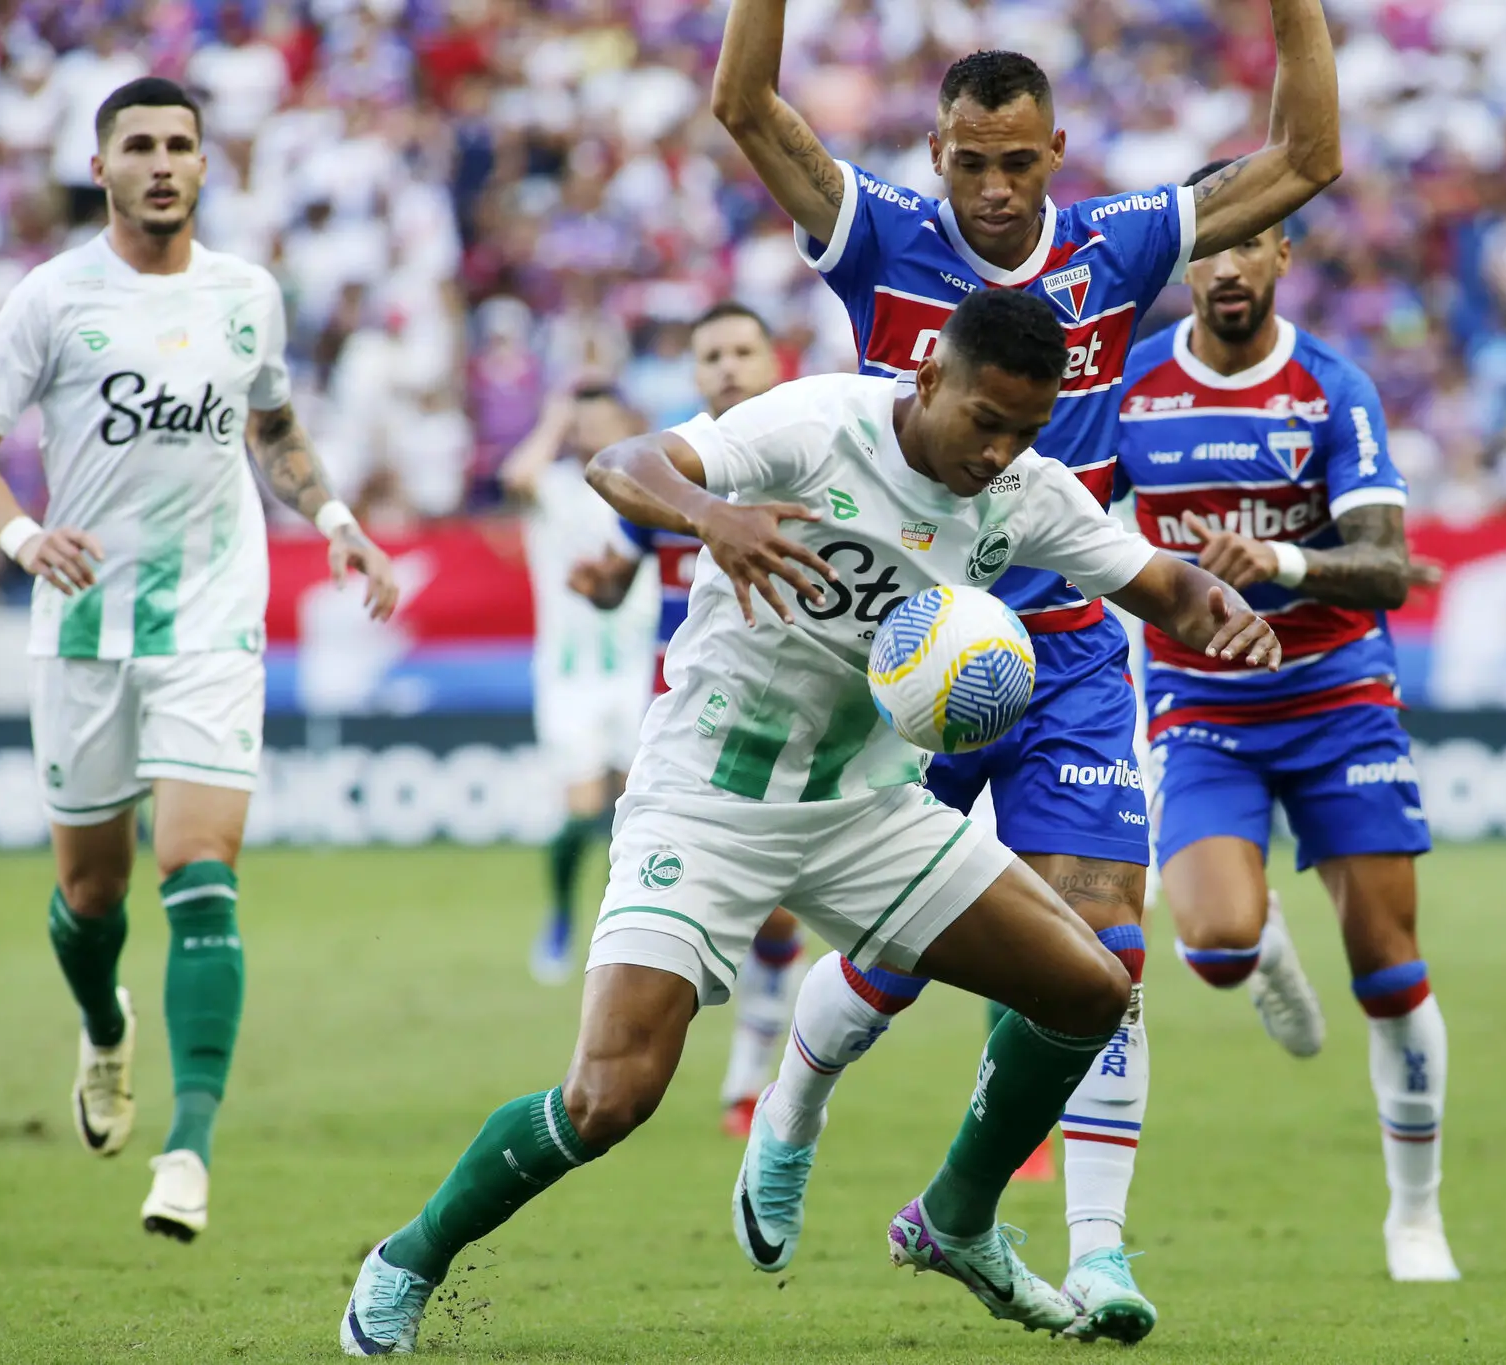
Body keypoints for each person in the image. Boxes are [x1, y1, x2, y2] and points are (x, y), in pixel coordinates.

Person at [337, 290, 1280, 1355]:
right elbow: (623, 466)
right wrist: (711, 516)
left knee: (1088, 989)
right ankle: (407, 1257)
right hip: (707, 797)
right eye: (985, 421)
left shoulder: (1023, 493)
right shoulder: (813, 426)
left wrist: (1218, 610)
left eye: (1025, 429)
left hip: (863, 807)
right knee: (610, 1098)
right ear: (929, 377)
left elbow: (1157, 580)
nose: (999, 450)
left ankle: (958, 1220)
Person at [711, 5, 1340, 1336]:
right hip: (902, 650)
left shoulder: (1121, 243)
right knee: (894, 955)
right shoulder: (878, 233)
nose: (995, 191)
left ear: (1057, 150)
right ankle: (795, 1102)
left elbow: (1304, 159)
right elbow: (747, 111)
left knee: (1106, 942)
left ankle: (1100, 1249)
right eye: (969, 164)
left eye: (1019, 164)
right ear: (934, 152)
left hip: (1066, 652)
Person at [0, 78, 397, 1241]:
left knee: (199, 871)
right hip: (82, 631)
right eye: (140, 147)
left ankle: (189, 1149)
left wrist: (337, 521)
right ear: (103, 166)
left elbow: (270, 426)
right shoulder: (52, 299)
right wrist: (20, 534)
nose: (163, 163)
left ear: (205, 167)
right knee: (89, 894)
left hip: (215, 621)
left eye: (181, 146)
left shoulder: (245, 294)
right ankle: (105, 1030)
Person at [1113, 164, 1459, 1281]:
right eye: (1207, 246)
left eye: (1247, 244)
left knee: (1387, 968)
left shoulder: (1330, 386)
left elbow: (1388, 567)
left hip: (1333, 696)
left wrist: (1283, 559)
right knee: (1210, 948)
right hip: (1199, 696)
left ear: (1280, 260)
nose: (1224, 265)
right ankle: (1258, 945)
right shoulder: (1130, 386)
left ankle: (1413, 1215)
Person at [569, 302, 809, 1136]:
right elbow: (622, 567)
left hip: (776, 706)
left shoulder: (801, 456)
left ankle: (750, 1068)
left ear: (774, 360)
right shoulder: (668, 468)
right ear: (694, 374)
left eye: (745, 349)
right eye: (712, 354)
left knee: (773, 908)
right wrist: (599, 583)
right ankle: (656, 1047)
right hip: (678, 714)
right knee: (662, 881)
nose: (730, 366)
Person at [499, 383, 660, 984]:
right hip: (570, 678)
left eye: (602, 421)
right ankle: (562, 915)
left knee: (630, 810)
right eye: (581, 423)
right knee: (582, 808)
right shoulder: (555, 488)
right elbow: (515, 477)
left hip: (636, 674)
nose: (590, 432)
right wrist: (553, 417)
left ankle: (617, 929)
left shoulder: (643, 484)